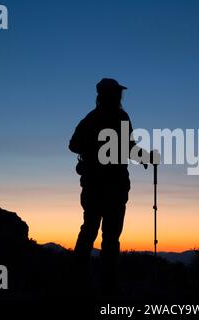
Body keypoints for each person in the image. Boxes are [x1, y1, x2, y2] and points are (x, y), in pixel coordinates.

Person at [69, 78, 156, 291]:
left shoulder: (90, 119)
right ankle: (107, 284)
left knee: (89, 230)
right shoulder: (121, 117)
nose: (120, 97)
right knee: (110, 236)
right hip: (114, 186)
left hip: (94, 186)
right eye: (117, 93)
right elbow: (130, 148)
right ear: (111, 96)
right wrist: (146, 158)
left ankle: (78, 280)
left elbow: (74, 145)